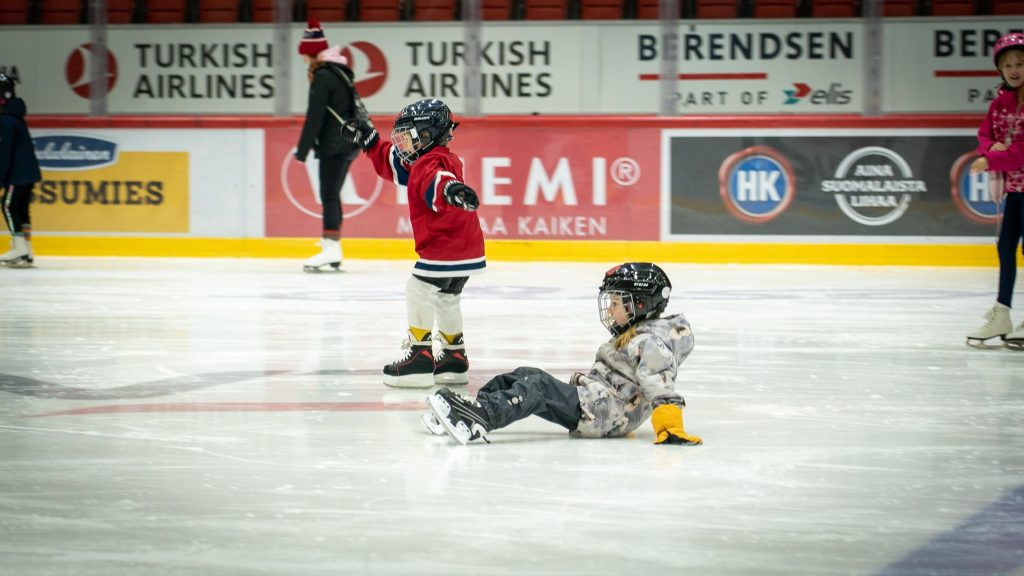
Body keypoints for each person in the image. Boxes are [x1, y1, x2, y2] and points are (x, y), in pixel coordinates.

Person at [423, 262, 703, 447]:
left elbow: (659, 384)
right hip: (601, 404)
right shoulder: (638, 334)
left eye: (618, 303)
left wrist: (670, 427)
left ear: (641, 304)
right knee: (527, 375)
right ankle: (474, 407)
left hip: (605, 413)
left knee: (536, 388)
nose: (610, 310)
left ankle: (479, 417)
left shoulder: (653, 343)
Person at [354, 98, 485, 388]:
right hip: (466, 248)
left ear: (427, 135)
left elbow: (436, 180)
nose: (402, 144)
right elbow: (396, 166)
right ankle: (454, 357)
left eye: (408, 137)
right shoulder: (431, 158)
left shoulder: (430, 163)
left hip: (444, 247)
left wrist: (451, 190)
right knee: (446, 298)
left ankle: (419, 356)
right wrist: (371, 142)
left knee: (418, 289)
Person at [967, 32, 1024, 350]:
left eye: (1020, 64)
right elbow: (983, 134)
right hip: (1015, 190)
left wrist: (990, 159)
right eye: (1008, 65)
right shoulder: (1000, 104)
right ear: (1000, 70)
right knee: (1005, 249)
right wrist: (990, 147)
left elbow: (1022, 151)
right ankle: (1002, 313)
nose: (1015, 70)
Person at [294, 18, 363, 273]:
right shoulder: (340, 71)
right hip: (348, 143)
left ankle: (331, 247)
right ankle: (332, 244)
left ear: (312, 54)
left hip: (334, 145)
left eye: (304, 56)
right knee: (332, 195)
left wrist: (302, 150)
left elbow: (315, 116)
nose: (304, 61)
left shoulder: (324, 75)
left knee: (329, 196)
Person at [0, 72, 41, 268]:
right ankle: (26, 249)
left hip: (17, 174)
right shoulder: (15, 116)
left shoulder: (6, 120)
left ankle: (19, 247)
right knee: (20, 208)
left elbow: (4, 152)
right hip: (27, 172)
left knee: (7, 206)